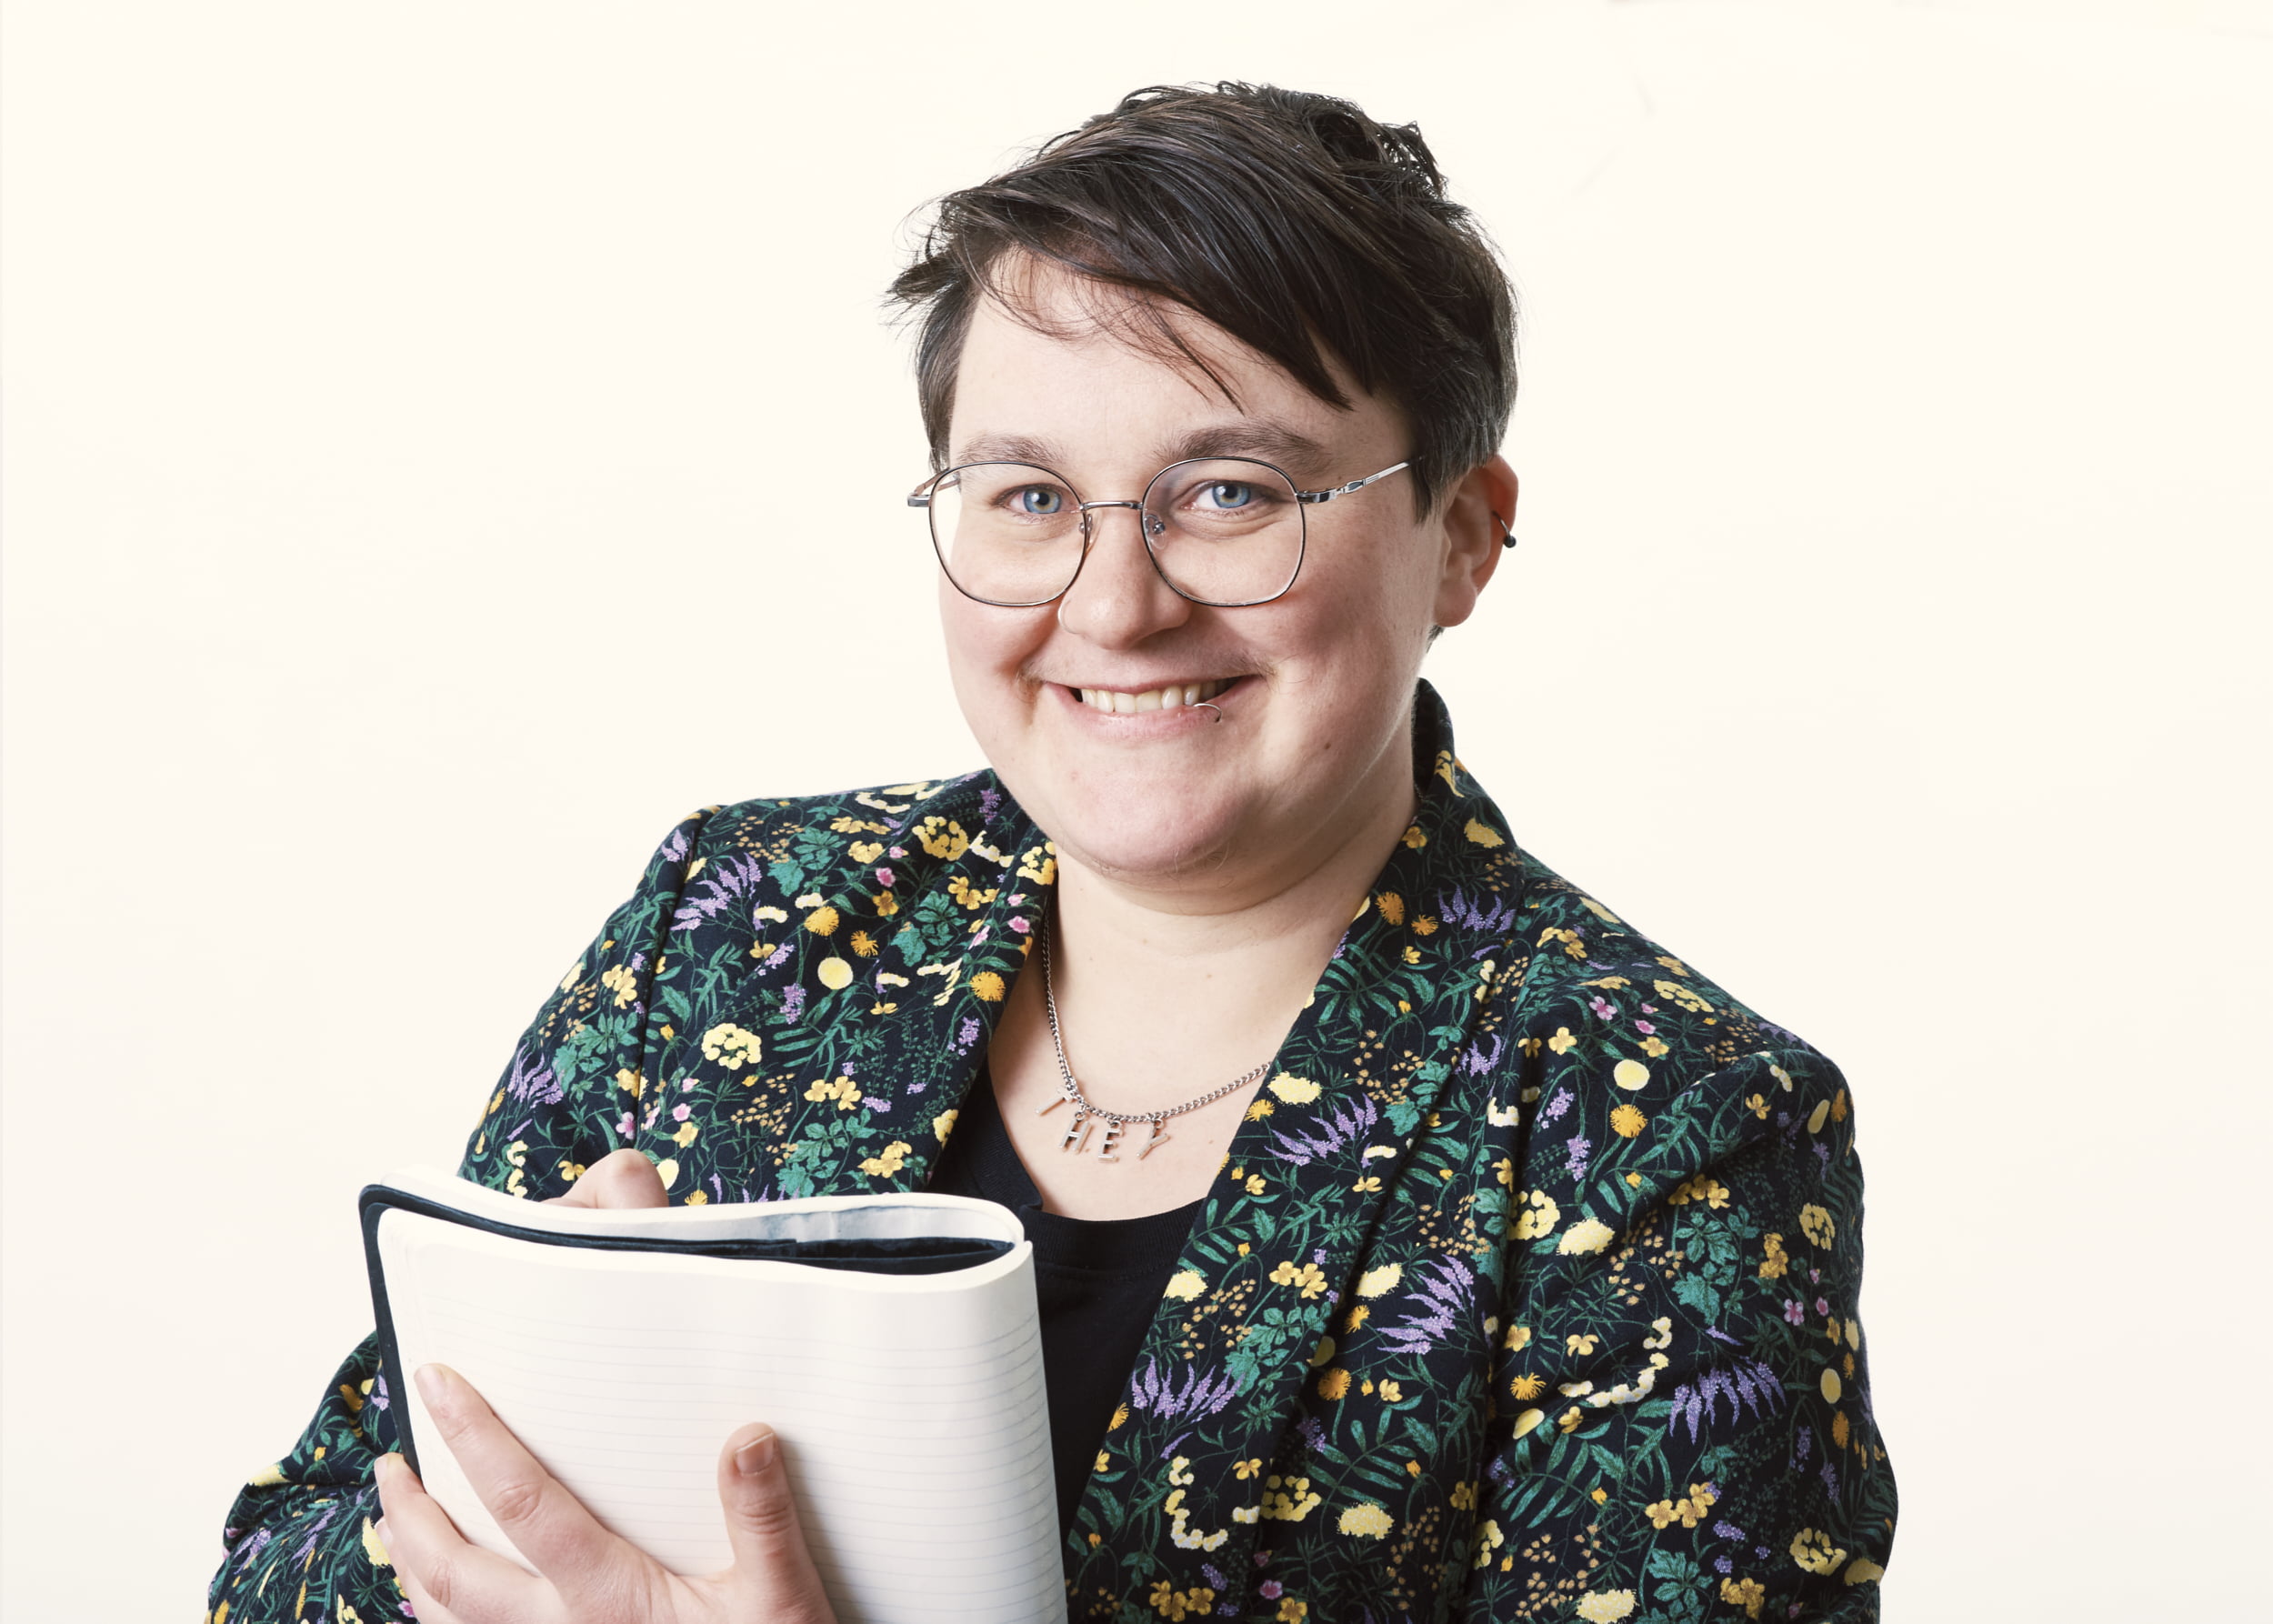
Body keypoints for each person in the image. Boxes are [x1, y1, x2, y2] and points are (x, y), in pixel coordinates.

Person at [207, 82, 1895, 1623]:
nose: (1111, 606)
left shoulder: (1669, 1122)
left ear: (1459, 535)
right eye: (1024, 496)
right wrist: (506, 1492)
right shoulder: (739, 929)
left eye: (1230, 492)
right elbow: (276, 1566)